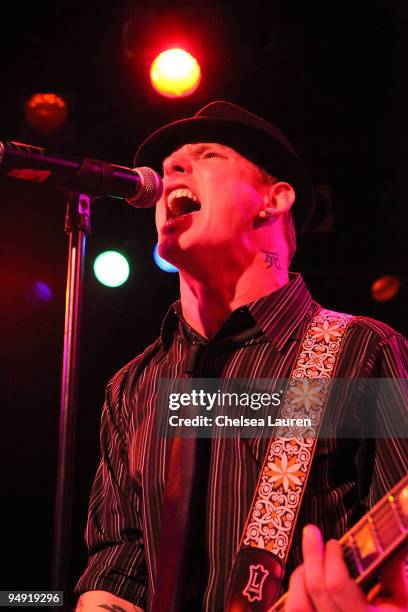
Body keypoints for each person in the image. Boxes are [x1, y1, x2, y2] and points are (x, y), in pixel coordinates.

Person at [75, 101, 408, 611]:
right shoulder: (132, 387)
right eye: (168, 164)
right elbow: (117, 573)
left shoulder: (360, 353)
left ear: (273, 200)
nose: (170, 171)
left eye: (206, 155)